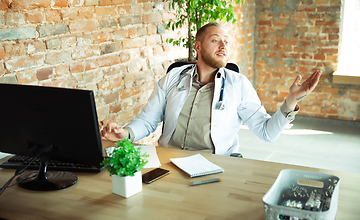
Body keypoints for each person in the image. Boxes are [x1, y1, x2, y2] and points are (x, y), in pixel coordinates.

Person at [101, 22, 321, 155]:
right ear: (197, 46)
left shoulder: (238, 85)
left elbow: (267, 133)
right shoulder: (172, 78)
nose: (223, 46)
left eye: (226, 41)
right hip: (170, 160)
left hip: (216, 165)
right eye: (215, 40)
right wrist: (126, 133)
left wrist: (291, 100)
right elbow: (148, 120)